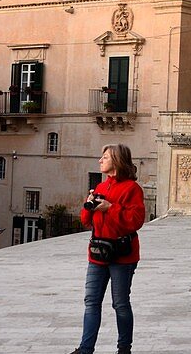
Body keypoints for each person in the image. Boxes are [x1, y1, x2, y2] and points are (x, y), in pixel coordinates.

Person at [70, 144, 145, 354]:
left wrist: (111, 208)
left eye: (104, 157)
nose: (100, 160)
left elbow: (136, 221)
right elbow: (86, 221)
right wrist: (89, 204)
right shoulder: (101, 187)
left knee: (120, 304)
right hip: (98, 253)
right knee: (91, 301)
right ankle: (85, 349)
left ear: (117, 161)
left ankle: (124, 349)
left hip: (123, 254)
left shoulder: (132, 188)